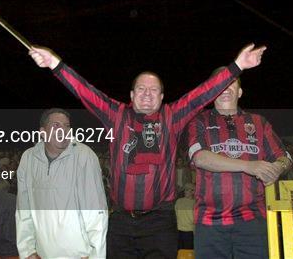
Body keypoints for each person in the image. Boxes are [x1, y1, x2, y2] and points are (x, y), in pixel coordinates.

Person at [29, 43, 266, 258]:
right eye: (141, 89)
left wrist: (237, 66)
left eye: (153, 91)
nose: (147, 94)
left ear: (162, 97)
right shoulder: (117, 114)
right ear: (131, 96)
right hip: (120, 220)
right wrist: (54, 64)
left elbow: (201, 94)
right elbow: (85, 90)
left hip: (160, 223)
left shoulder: (172, 117)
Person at [186, 74, 291, 258]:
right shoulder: (199, 121)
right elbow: (200, 158)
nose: (225, 87)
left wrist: (276, 169)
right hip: (209, 223)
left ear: (240, 92)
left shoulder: (259, 122)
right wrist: (248, 166)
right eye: (219, 84)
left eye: (231, 83)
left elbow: (285, 157)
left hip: (252, 222)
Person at [16, 108, 108, 259]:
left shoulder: (84, 156)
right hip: (42, 254)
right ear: (42, 131)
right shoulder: (28, 159)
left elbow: (96, 212)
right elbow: (23, 208)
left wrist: (95, 255)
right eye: (56, 125)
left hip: (79, 255)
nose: (63, 130)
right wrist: (27, 250)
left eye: (67, 126)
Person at [174, 183, 195, 250]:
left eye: (188, 190)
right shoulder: (195, 203)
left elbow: (176, 214)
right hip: (187, 232)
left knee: (180, 252)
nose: (186, 191)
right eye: (185, 190)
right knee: (188, 252)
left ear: (193, 192)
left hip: (182, 231)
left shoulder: (179, 201)